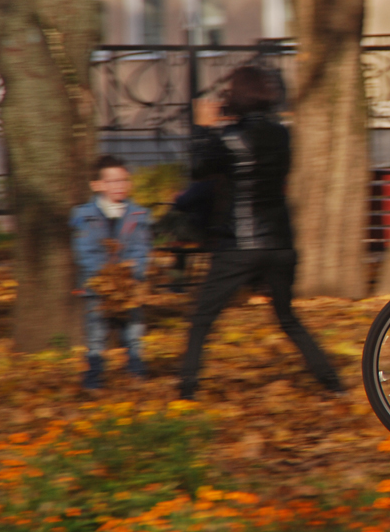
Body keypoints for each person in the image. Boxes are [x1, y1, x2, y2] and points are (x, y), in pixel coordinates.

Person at [177, 65, 342, 399]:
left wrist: (204, 128)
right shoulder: (282, 134)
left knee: (202, 317)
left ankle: (186, 391)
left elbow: (197, 170)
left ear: (235, 96)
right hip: (281, 244)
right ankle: (332, 382)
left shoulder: (228, 139)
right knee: (287, 318)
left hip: (240, 246)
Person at [71, 155, 152, 390]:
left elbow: (142, 248)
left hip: (130, 289)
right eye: (112, 181)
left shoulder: (139, 215)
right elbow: (85, 251)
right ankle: (93, 380)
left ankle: (137, 377)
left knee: (134, 334)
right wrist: (105, 279)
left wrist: (132, 274)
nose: (119, 186)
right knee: (96, 335)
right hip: (97, 289)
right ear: (97, 185)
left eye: (123, 180)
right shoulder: (83, 214)